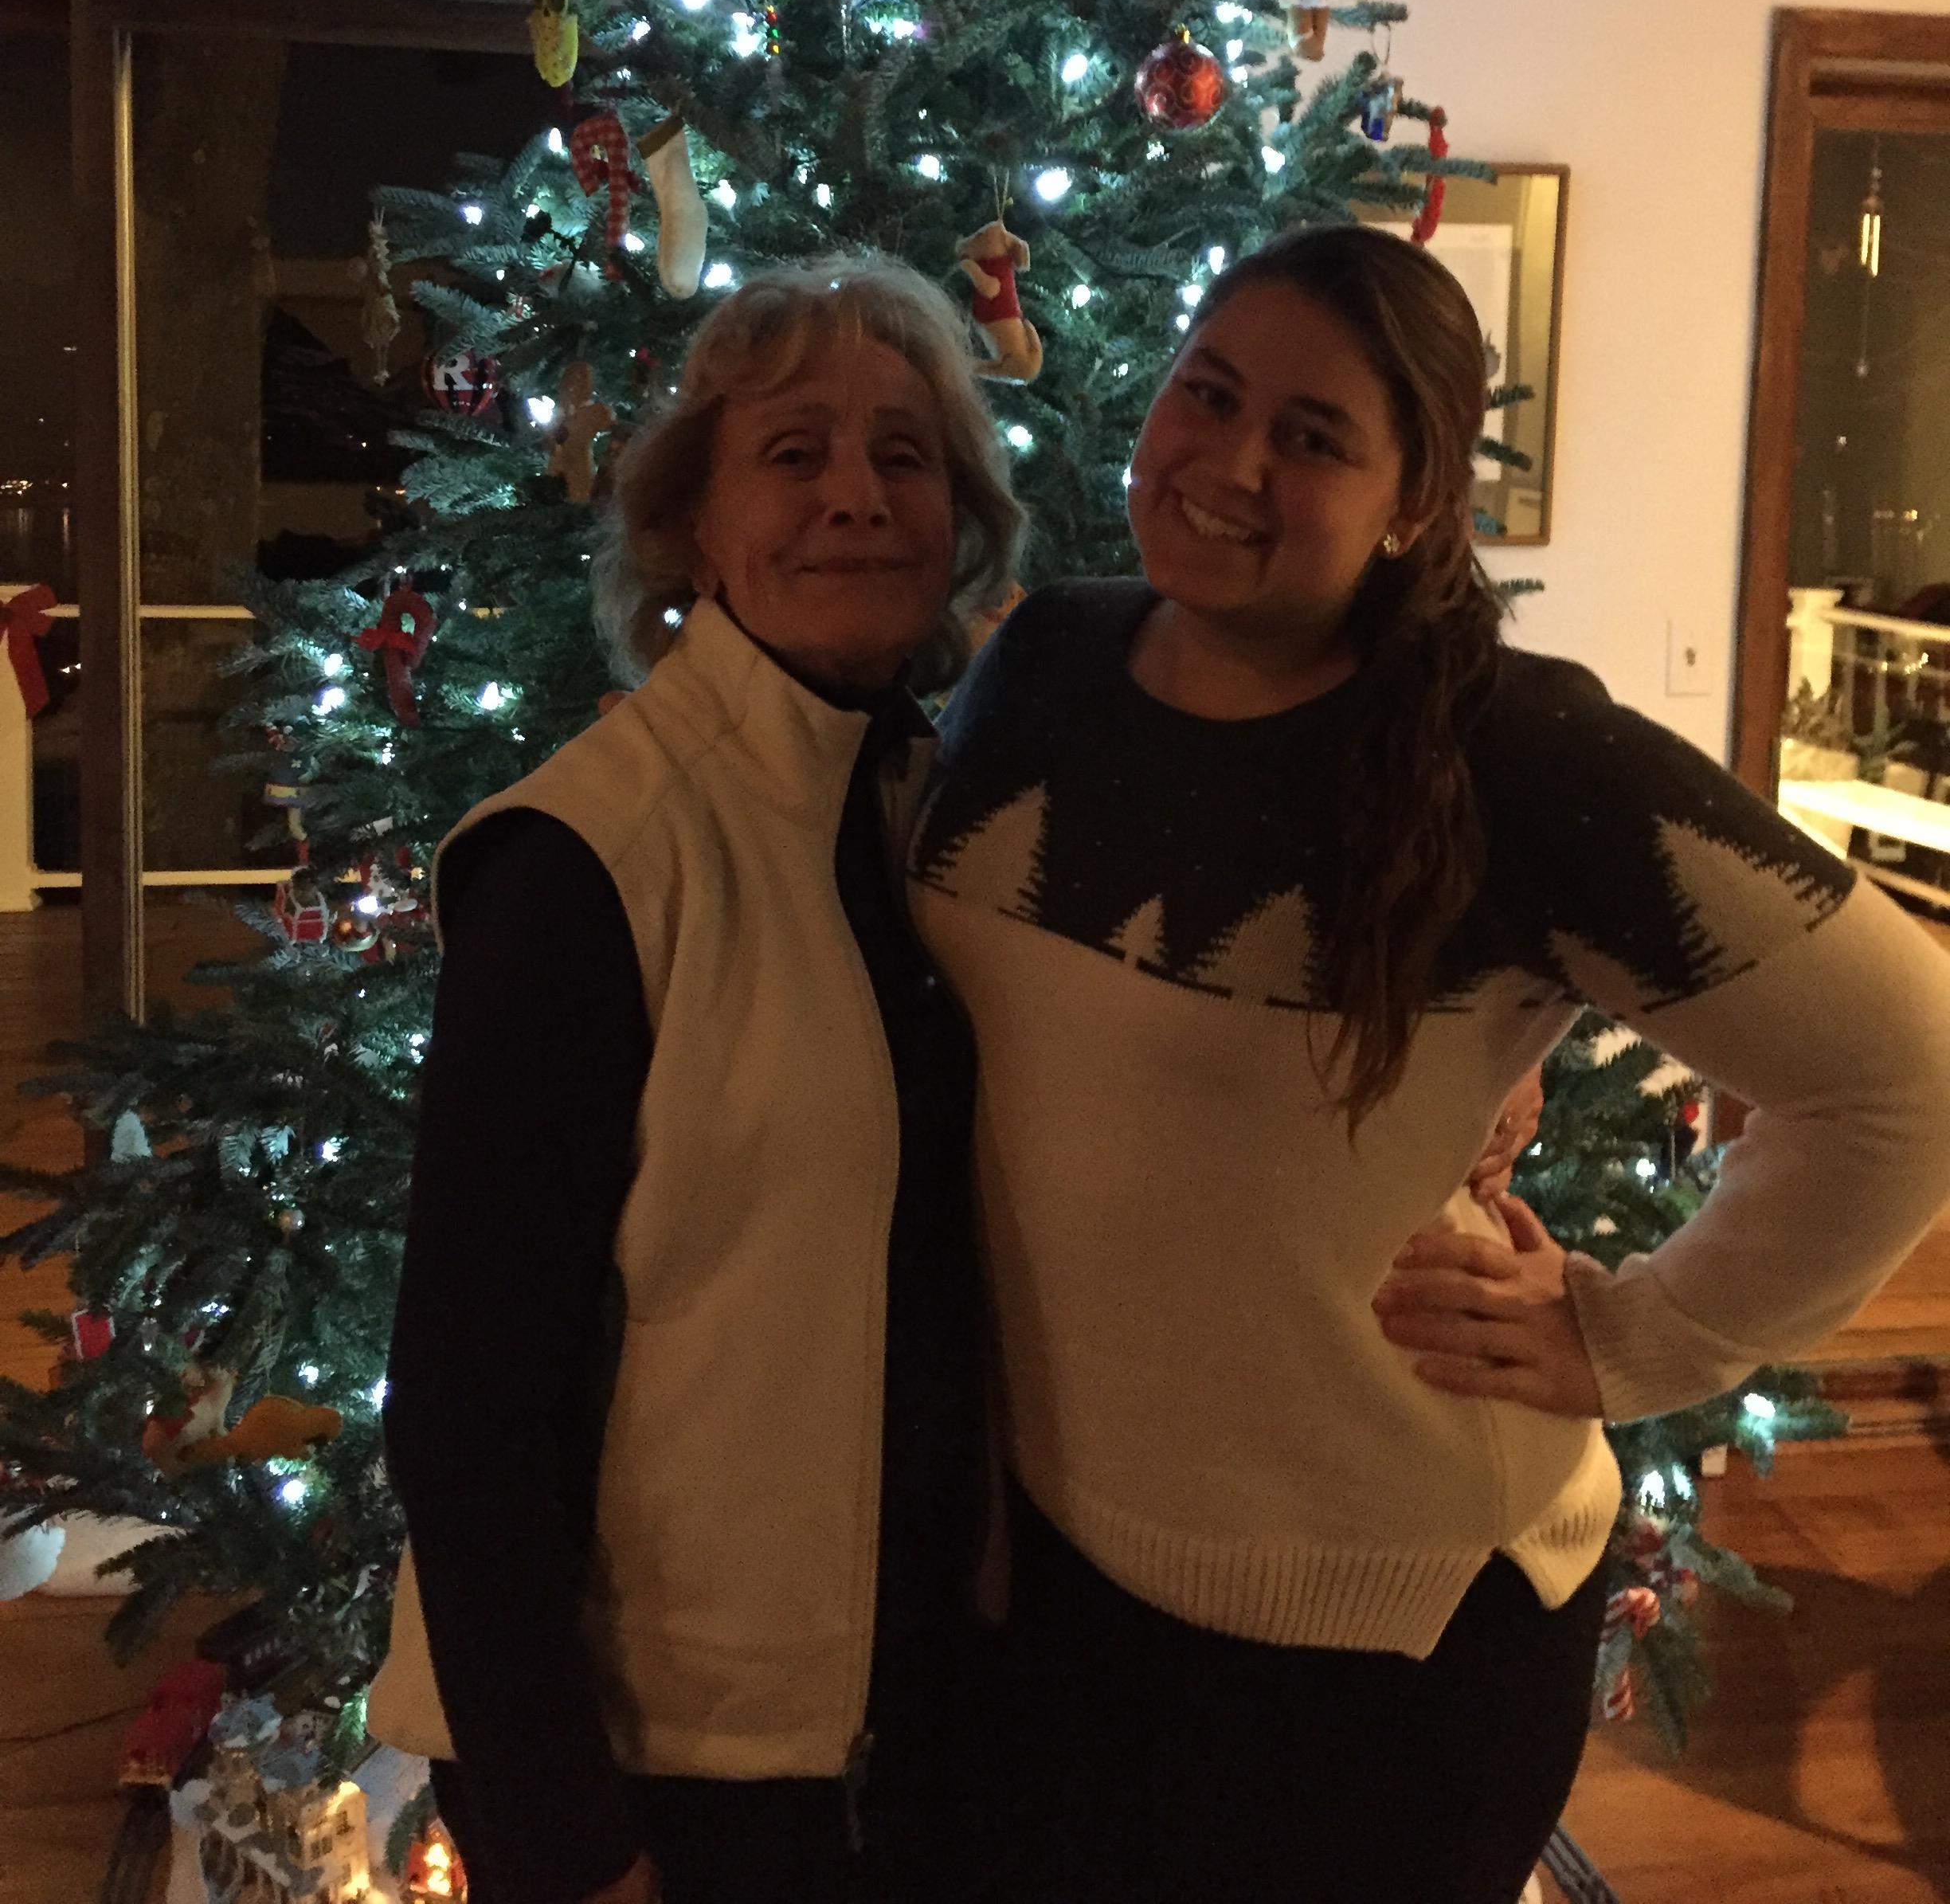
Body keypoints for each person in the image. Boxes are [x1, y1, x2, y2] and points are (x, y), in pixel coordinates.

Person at [908, 222, 1950, 1904]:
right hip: (1069, 1562)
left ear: (1412, 500)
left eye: (1313, 437)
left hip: (1381, 1628)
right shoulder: (1041, 667)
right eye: (1210, 391)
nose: (1231, 462)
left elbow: (1911, 1073)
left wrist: (1643, 1331)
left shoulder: (1514, 759)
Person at [368, 258, 1023, 1904]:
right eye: (794, 454)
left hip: (905, 1708)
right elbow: (465, 1407)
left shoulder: (940, 819)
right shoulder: (590, 861)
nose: (858, 500)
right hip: (666, 1758)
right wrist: (568, 1839)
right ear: (691, 526)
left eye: (906, 455)